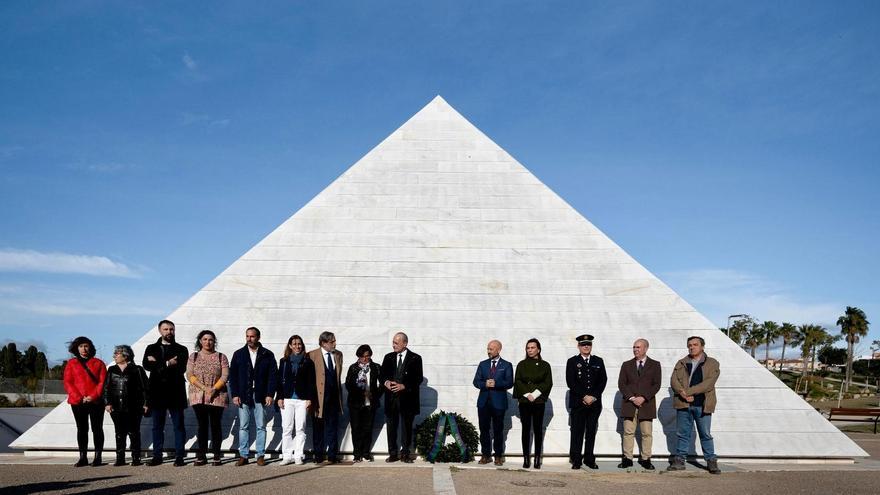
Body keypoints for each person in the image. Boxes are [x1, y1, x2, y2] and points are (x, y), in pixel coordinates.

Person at [668, 336, 721, 474]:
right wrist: (682, 393)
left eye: (695, 344)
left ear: (702, 346)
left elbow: (708, 384)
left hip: (702, 404)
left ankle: (711, 461)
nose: (692, 347)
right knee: (682, 434)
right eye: (689, 345)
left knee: (705, 434)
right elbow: (673, 381)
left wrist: (688, 391)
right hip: (683, 404)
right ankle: (679, 461)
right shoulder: (681, 363)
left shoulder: (712, 363)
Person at [143, 319, 190, 466]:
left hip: (175, 392)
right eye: (166, 329)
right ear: (159, 331)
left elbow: (181, 368)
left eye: (171, 329)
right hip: (157, 393)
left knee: (178, 426)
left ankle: (179, 456)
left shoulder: (182, 349)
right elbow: (147, 365)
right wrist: (168, 363)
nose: (169, 332)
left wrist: (157, 363)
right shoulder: (151, 348)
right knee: (157, 426)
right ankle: (157, 456)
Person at [229, 327, 277, 466]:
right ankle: (243, 455)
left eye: (252, 336)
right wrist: (235, 394)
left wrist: (269, 394)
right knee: (243, 426)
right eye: (247, 336)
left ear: (258, 337)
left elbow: (272, 376)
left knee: (261, 426)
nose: (249, 339)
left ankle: (260, 455)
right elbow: (233, 376)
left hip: (260, 395)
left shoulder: (267, 354)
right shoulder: (239, 354)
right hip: (244, 395)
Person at [617, 338, 661, 470]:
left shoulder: (655, 364)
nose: (635, 349)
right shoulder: (626, 365)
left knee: (646, 433)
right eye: (634, 347)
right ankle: (627, 458)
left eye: (638, 347)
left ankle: (646, 459)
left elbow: (656, 385)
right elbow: (622, 384)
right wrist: (632, 397)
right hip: (629, 405)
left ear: (646, 348)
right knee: (628, 432)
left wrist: (644, 397)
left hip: (646, 405)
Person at [186, 330, 229, 466]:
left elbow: (225, 375)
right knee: (202, 426)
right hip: (198, 395)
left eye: (210, 339)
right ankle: (201, 455)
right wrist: (205, 389)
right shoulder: (193, 357)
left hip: (218, 395)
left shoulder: (221, 357)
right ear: (200, 341)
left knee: (216, 425)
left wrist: (214, 389)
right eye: (204, 339)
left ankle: (217, 455)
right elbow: (190, 375)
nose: (207, 342)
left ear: (214, 341)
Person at [63, 336, 107, 467]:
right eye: (81, 346)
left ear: (91, 348)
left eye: (86, 346)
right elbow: (68, 382)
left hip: (96, 402)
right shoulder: (71, 363)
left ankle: (98, 457)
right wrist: (79, 397)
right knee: (82, 429)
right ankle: (83, 457)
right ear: (76, 348)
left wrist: (93, 396)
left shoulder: (98, 363)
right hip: (78, 402)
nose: (84, 349)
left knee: (97, 428)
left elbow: (102, 382)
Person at [380, 331, 423, 463]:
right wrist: (386, 382)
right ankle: (392, 453)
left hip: (408, 400)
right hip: (391, 399)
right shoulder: (388, 357)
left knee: (406, 427)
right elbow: (382, 375)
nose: (393, 345)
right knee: (391, 427)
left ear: (405, 343)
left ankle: (405, 453)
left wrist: (404, 386)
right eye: (393, 342)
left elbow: (418, 378)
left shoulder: (415, 358)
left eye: (396, 343)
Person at [103, 344, 149, 466]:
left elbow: (145, 388)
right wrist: (107, 403)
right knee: (119, 432)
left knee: (134, 432)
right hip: (116, 407)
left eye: (117, 354)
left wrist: (145, 403)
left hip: (134, 406)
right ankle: (120, 458)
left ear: (125, 355)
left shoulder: (137, 369)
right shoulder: (112, 369)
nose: (114, 356)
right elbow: (106, 388)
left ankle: (136, 458)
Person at [566, 333, 607, 470]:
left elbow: (602, 381)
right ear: (578, 346)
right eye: (583, 344)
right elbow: (571, 382)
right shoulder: (572, 362)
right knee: (577, 432)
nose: (586, 347)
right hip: (579, 403)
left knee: (591, 432)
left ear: (591, 346)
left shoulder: (598, 361)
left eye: (588, 344)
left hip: (594, 404)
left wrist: (593, 396)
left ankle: (589, 458)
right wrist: (584, 396)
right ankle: (576, 459)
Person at [275, 334, 317, 466]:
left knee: (300, 428)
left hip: (302, 399)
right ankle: (287, 456)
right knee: (287, 428)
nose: (297, 346)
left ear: (302, 345)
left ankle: (299, 455)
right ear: (290, 346)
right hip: (287, 398)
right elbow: (279, 381)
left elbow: (311, 382)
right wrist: (280, 397)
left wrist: (310, 398)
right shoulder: (284, 361)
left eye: (299, 344)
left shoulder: (308, 362)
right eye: (294, 344)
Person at [513, 338, 552, 469]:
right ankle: (526, 458)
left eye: (532, 347)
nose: (530, 350)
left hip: (538, 401)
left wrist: (535, 394)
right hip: (525, 401)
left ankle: (537, 458)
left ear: (538, 349)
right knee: (525, 429)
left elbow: (547, 382)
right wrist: (527, 394)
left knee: (538, 429)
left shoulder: (545, 365)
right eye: (528, 348)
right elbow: (518, 380)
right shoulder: (521, 364)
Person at [473, 339, 513, 466]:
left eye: (491, 349)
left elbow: (509, 382)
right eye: (488, 349)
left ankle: (498, 455)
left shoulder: (506, 365)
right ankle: (485, 455)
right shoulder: (483, 364)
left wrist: (497, 383)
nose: (488, 351)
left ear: (498, 350)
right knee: (484, 429)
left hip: (498, 403)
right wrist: (484, 384)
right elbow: (476, 381)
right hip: (484, 402)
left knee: (498, 430)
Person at [307, 331, 343, 464]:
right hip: (318, 398)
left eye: (334, 341)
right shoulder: (312, 355)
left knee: (333, 427)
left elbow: (337, 376)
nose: (335, 343)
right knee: (318, 428)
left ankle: (333, 455)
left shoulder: (338, 354)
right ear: (323, 343)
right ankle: (318, 455)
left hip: (334, 397)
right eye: (332, 341)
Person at [345, 344, 383, 462]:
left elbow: (382, 384)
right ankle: (357, 454)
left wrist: (374, 394)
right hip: (355, 403)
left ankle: (366, 453)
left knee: (368, 428)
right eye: (362, 357)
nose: (365, 359)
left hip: (370, 403)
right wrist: (361, 392)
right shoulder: (353, 368)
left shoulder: (376, 367)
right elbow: (348, 385)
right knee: (356, 428)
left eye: (367, 356)